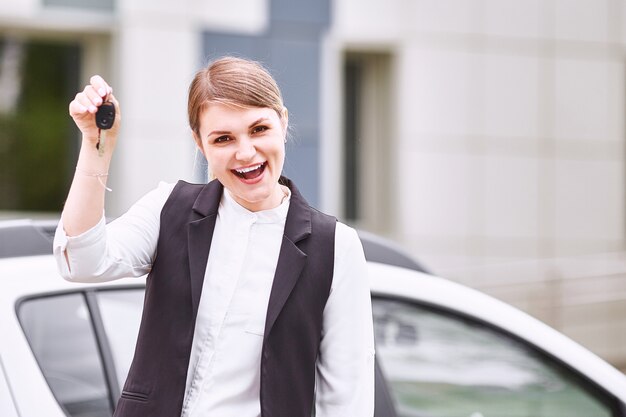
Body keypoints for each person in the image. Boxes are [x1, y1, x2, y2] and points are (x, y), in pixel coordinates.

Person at [53, 57, 375, 417]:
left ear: (282, 123)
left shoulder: (334, 247)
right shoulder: (168, 208)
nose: (245, 153)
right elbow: (80, 262)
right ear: (200, 143)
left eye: (258, 129)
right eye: (223, 138)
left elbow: (347, 399)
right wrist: (97, 147)